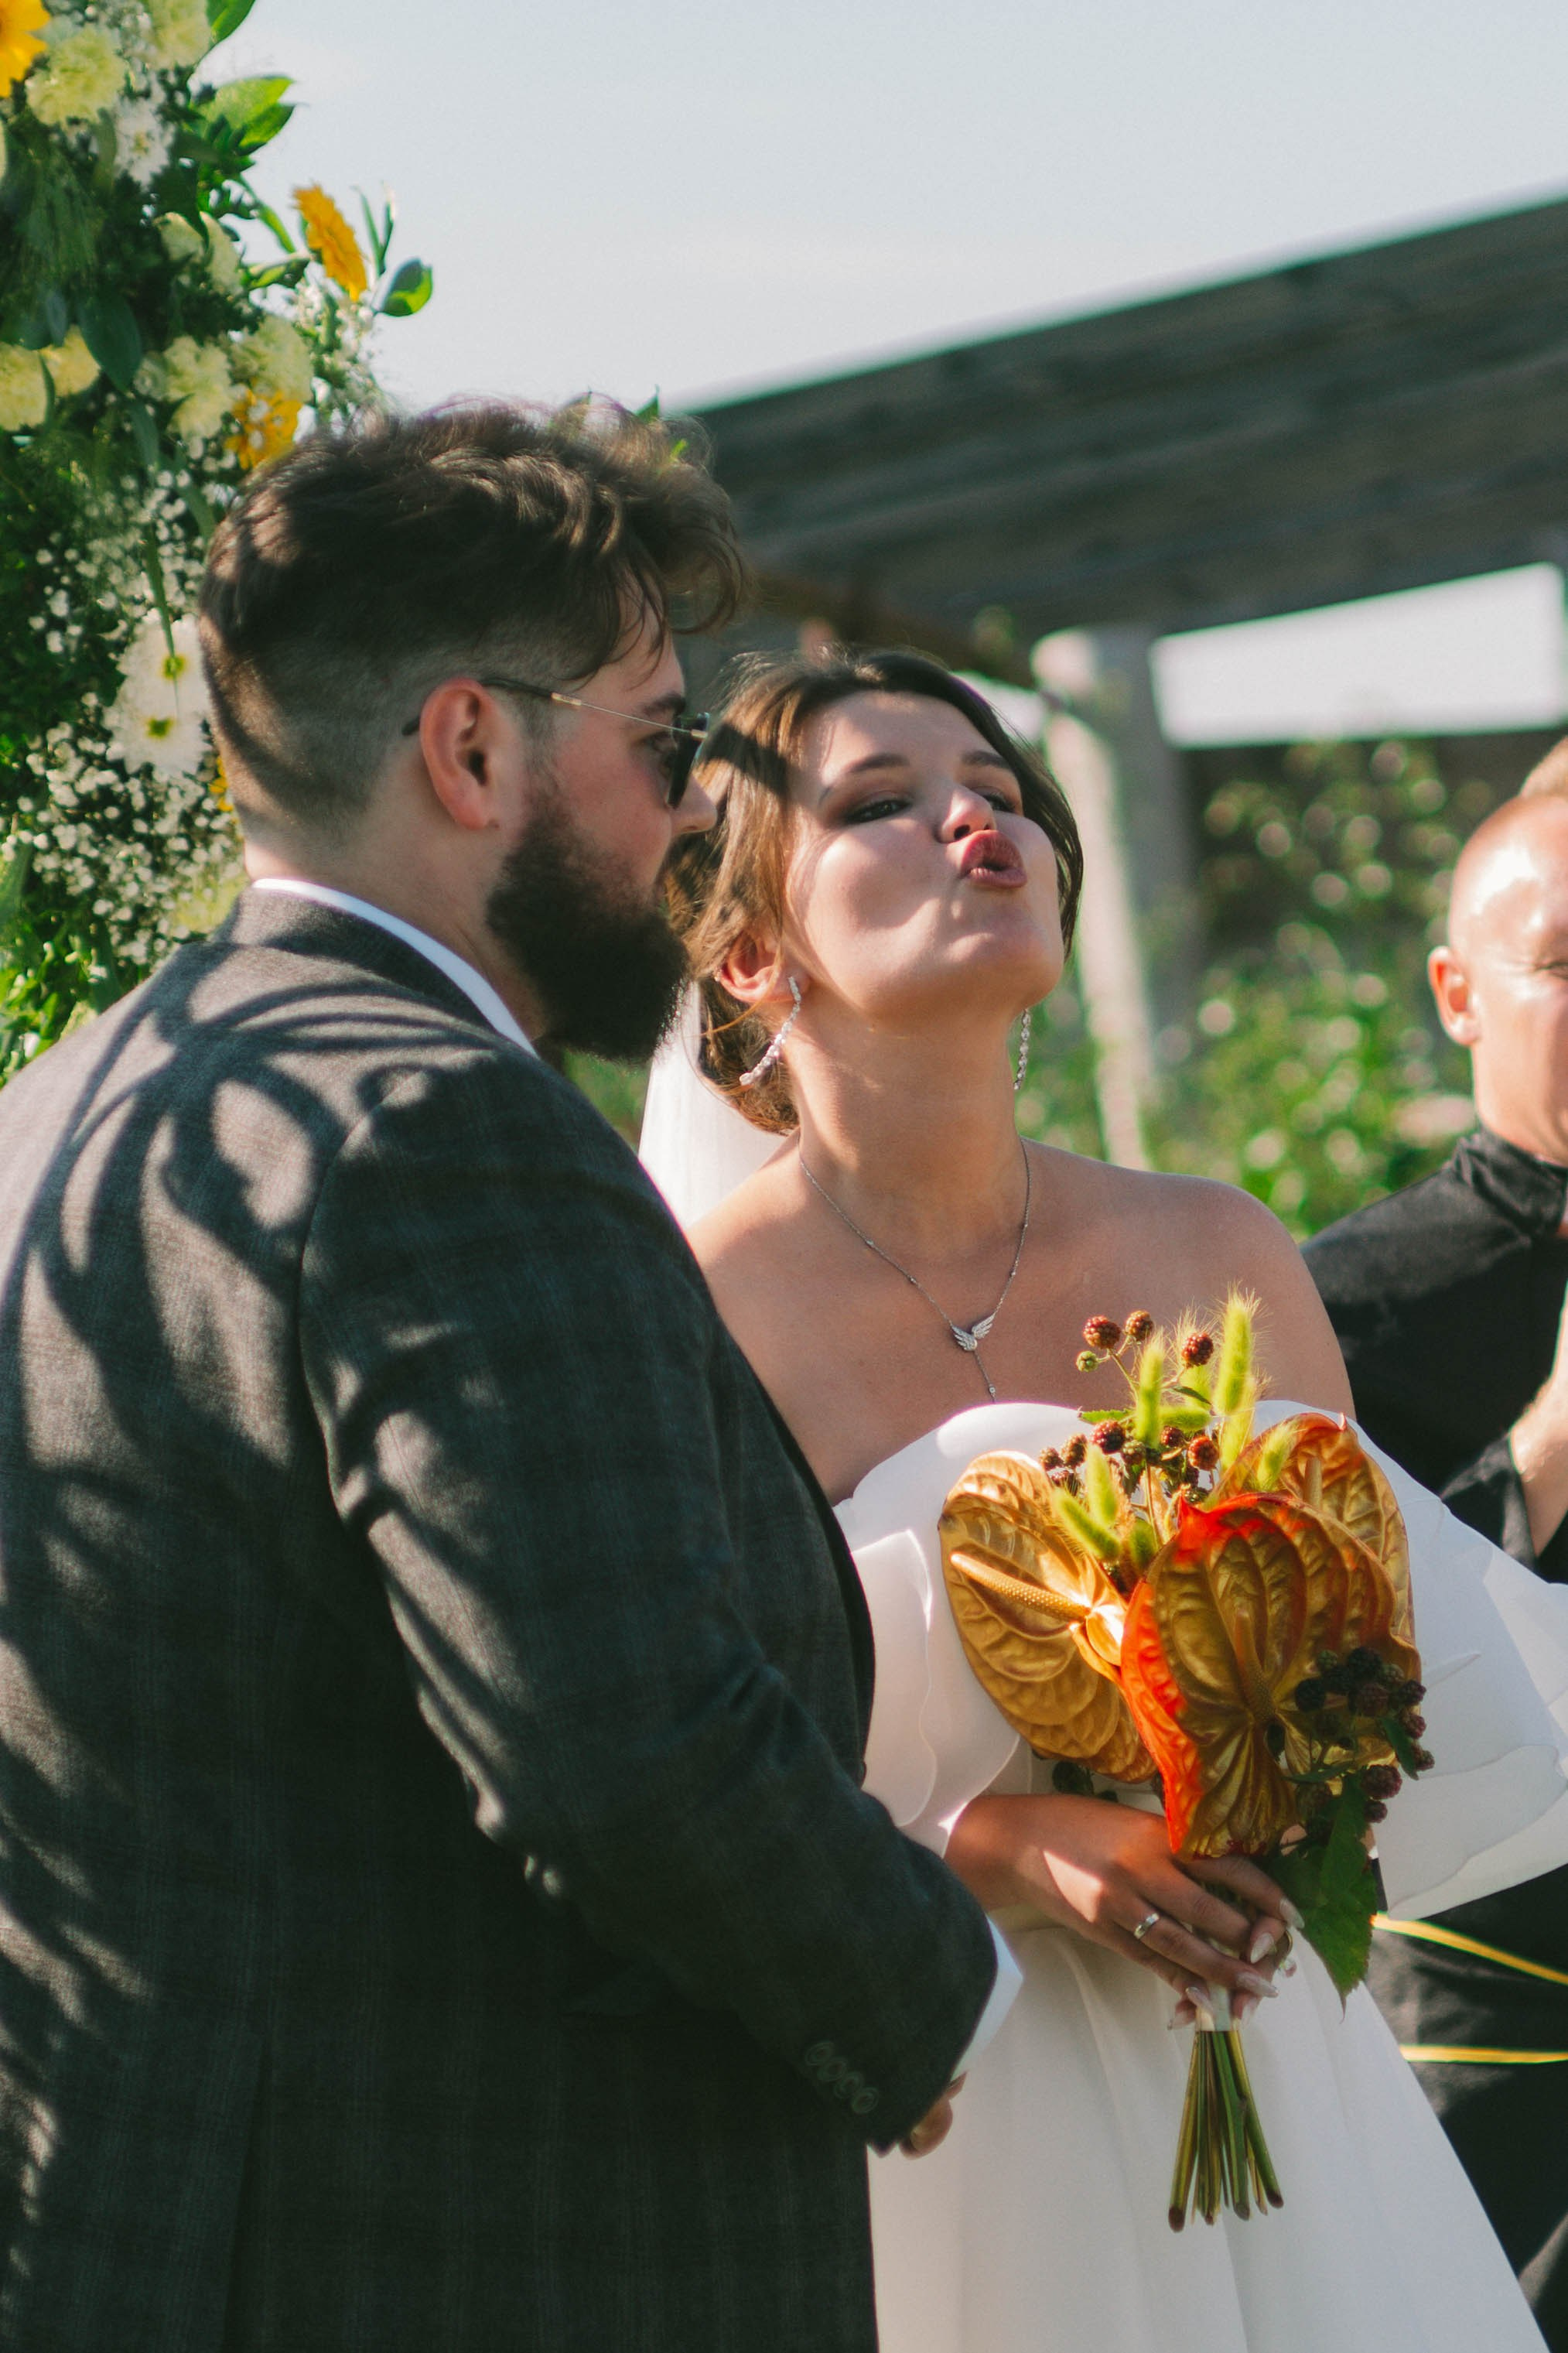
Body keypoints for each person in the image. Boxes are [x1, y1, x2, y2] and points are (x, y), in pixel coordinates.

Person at [0, 407, 1009, 2353]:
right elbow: (617, 1728)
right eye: (660, 745)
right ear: (472, 750)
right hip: (469, 2254)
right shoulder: (444, 1130)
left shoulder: (69, 1106)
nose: (697, 818)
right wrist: (920, 1993)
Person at [641, 646, 1568, 2353]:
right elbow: (667, 1774)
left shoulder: (1216, 1251)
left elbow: (1369, 1674)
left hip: (1266, 2070)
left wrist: (1279, 1784)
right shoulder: (681, 1313)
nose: (971, 819)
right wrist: (996, 1843)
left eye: (997, 789)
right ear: (756, 953)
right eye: (879, 804)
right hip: (930, 2103)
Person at [1307, 765, 1568, 2349]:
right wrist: (1546, 1455)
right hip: (1504, 2047)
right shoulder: (1347, 1306)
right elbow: (1298, 1689)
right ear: (1460, 995)